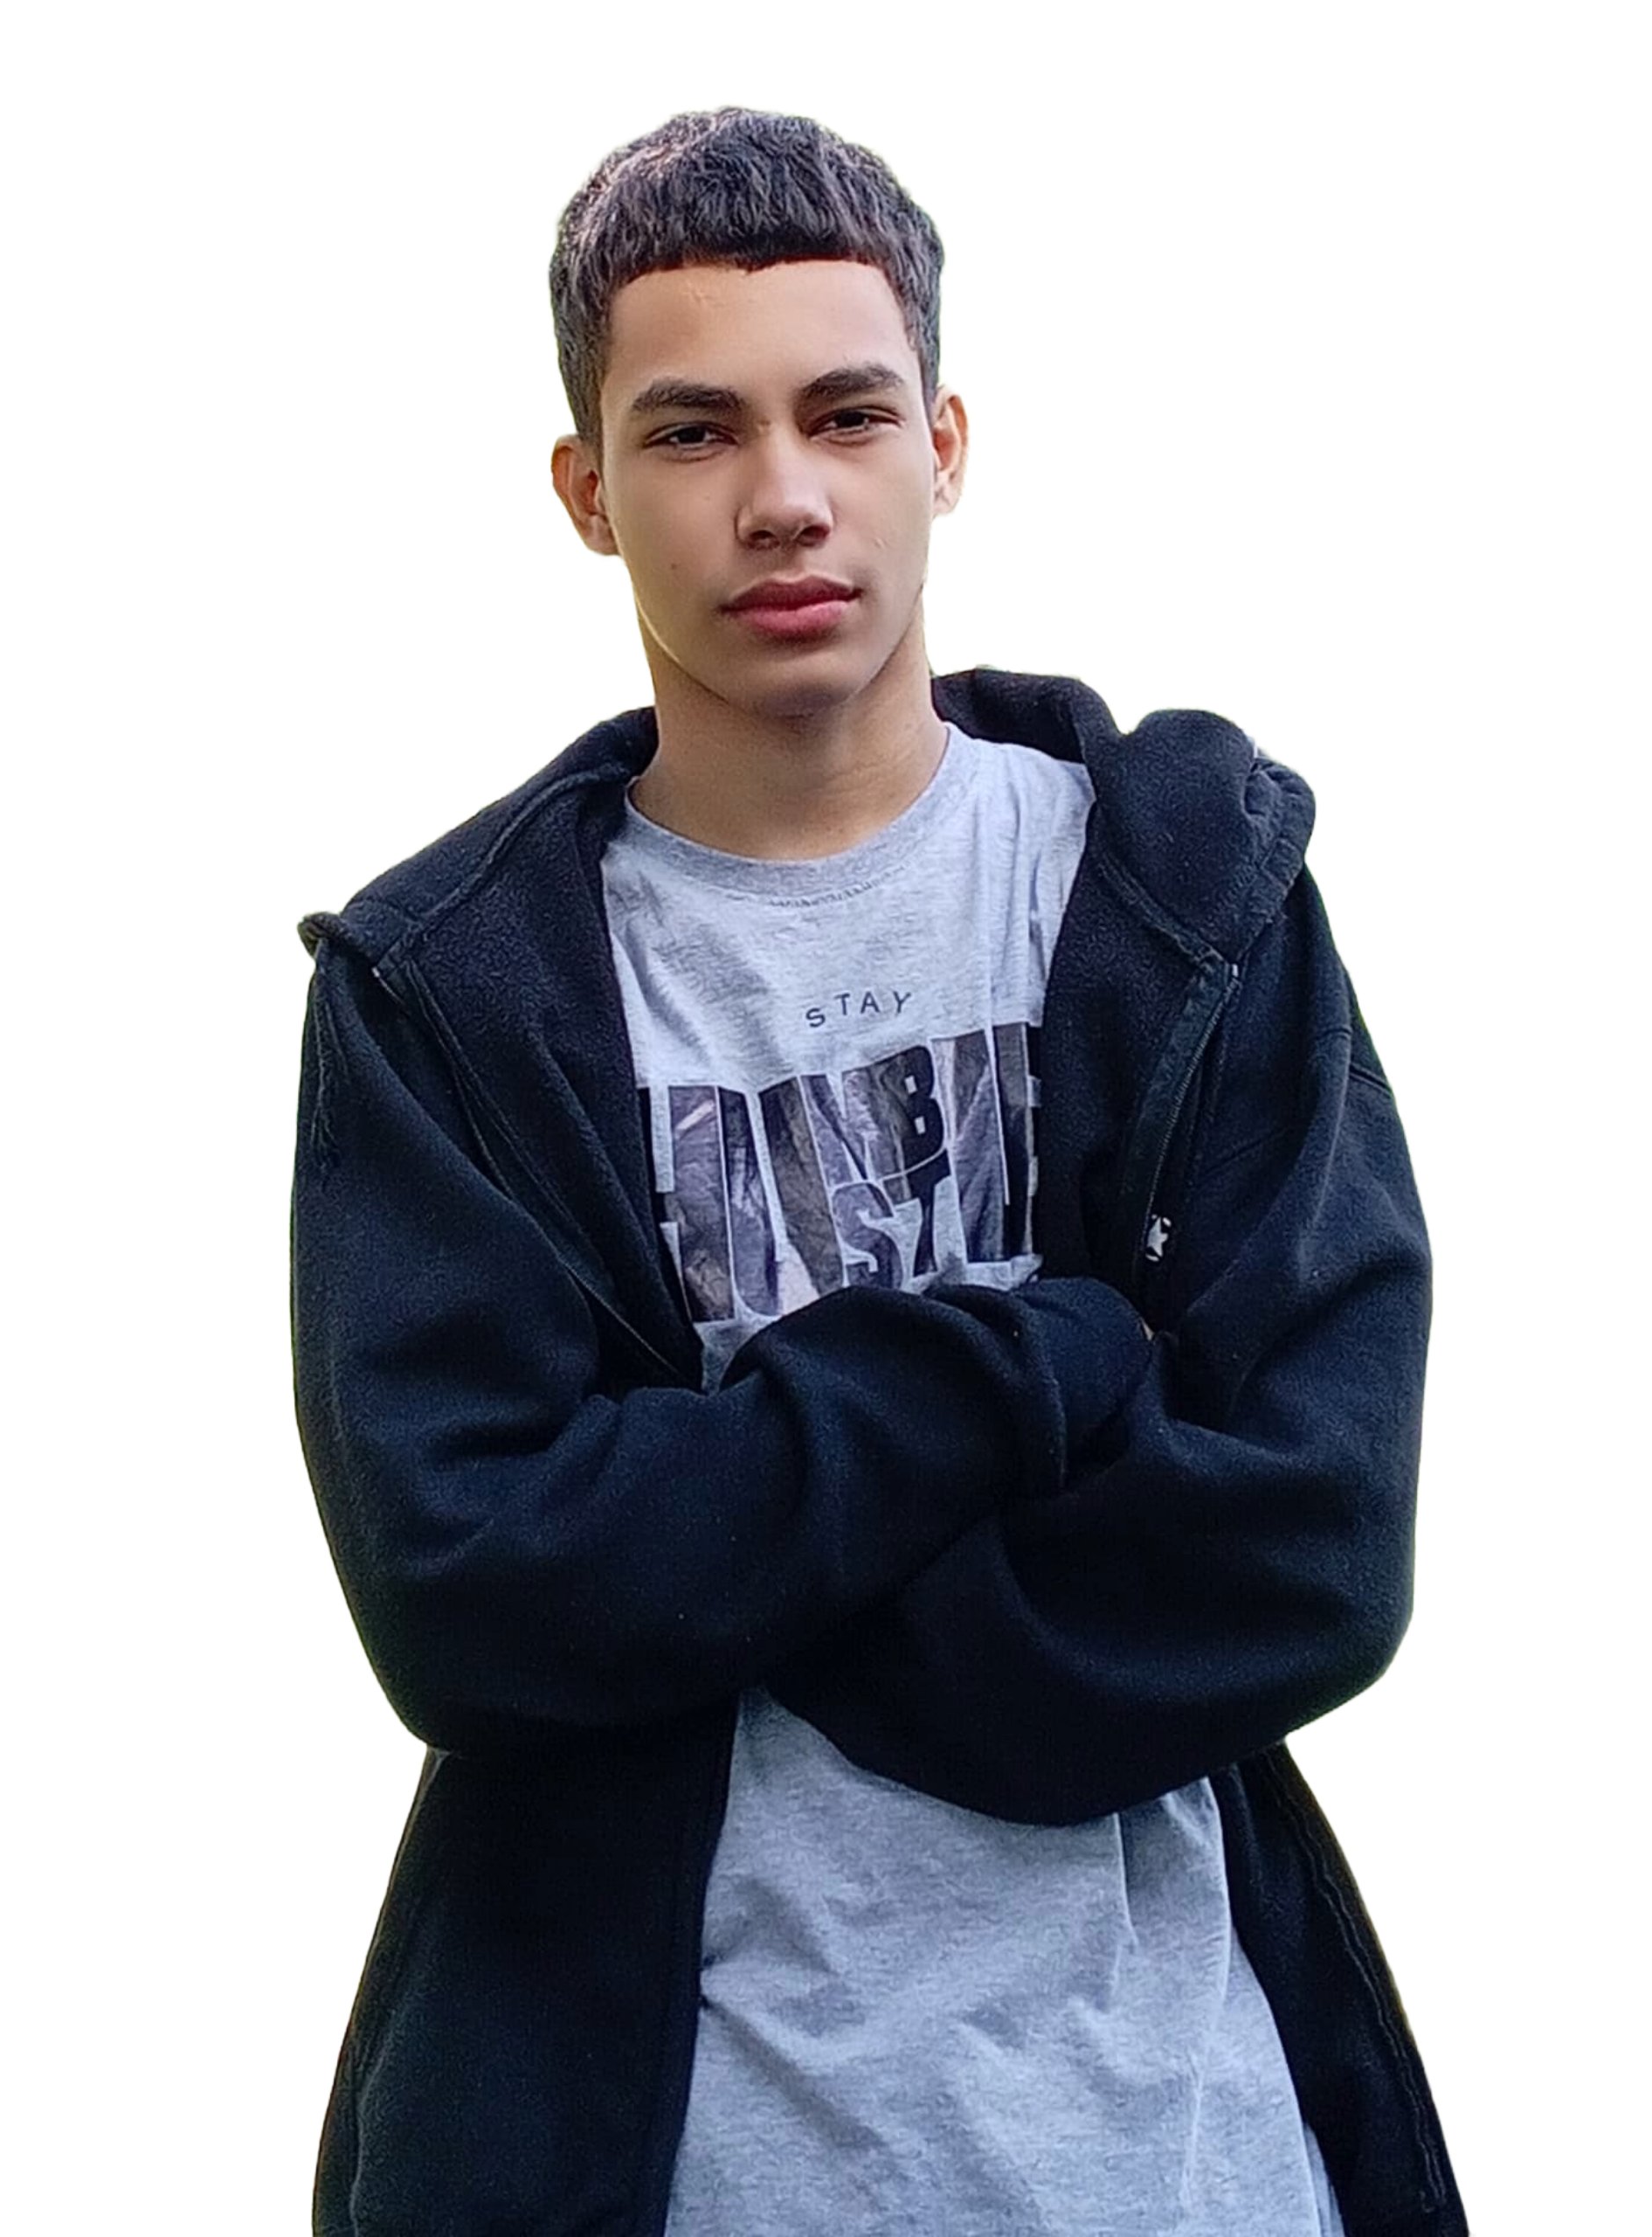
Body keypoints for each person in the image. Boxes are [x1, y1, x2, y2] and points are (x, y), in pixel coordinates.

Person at [291, 107, 1466, 2237]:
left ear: (944, 441)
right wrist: (1036, 1364)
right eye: (691, 430)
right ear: (585, 490)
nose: (783, 495)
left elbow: (1315, 1533)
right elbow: (472, 1594)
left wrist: (719, 1548)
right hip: (675, 2169)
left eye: (844, 413)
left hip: (1186, 2155)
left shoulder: (1184, 897)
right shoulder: (452, 991)